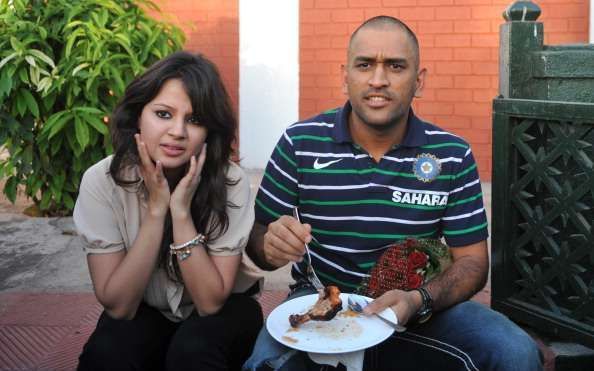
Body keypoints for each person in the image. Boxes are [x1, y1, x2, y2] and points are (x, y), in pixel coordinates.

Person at [243, 16, 542, 371]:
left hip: (418, 307)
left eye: (395, 66)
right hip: (320, 304)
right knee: (265, 365)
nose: (378, 79)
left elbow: (473, 263)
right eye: (365, 64)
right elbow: (257, 244)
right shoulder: (300, 143)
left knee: (514, 352)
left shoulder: (451, 154)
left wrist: (421, 299)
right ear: (345, 76)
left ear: (419, 81)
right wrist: (269, 245)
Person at [73, 51, 263, 371]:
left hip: (224, 310)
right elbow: (119, 306)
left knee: (192, 353)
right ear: (138, 116)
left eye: (194, 120)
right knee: (107, 354)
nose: (177, 131)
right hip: (143, 307)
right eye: (163, 114)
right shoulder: (102, 182)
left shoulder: (230, 182)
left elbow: (210, 302)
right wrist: (156, 211)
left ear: (209, 131)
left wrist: (181, 213)